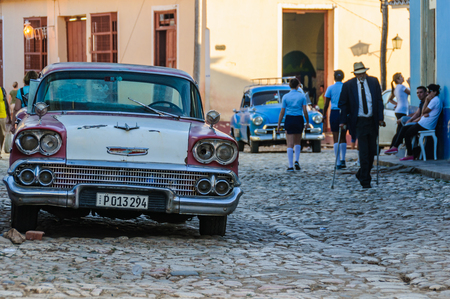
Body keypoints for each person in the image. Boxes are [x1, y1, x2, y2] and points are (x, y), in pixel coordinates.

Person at [338, 62, 384, 188]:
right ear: (355, 74)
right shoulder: (348, 85)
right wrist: (343, 121)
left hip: (372, 120)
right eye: (358, 74)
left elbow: (379, 101)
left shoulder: (374, 82)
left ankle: (361, 173)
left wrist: (380, 118)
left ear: (365, 72)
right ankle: (365, 180)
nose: (361, 75)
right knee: (363, 151)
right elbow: (343, 104)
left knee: (372, 152)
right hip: (359, 121)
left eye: (362, 73)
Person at [386, 84, 442, 161]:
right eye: (428, 91)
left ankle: (408, 153)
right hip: (423, 123)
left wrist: (426, 101)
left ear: (435, 92)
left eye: (429, 91)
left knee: (407, 133)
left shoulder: (434, 100)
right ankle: (396, 147)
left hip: (425, 124)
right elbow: (421, 113)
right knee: (405, 128)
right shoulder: (434, 100)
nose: (428, 93)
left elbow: (423, 111)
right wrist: (414, 118)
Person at [277, 78, 309, 172]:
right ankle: (297, 161)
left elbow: (282, 112)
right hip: (299, 118)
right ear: (298, 85)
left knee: (289, 143)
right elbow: (305, 111)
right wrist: (307, 121)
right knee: (297, 142)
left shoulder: (285, 97)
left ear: (289, 85)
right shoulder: (302, 96)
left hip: (289, 119)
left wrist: (279, 124)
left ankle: (290, 166)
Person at [385, 86, 427, 154]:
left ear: (426, 93)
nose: (419, 94)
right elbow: (417, 113)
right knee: (403, 122)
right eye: (417, 93)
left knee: (404, 129)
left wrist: (412, 121)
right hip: (417, 120)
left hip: (422, 123)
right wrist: (409, 120)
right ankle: (396, 146)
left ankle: (396, 147)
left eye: (421, 92)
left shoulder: (427, 102)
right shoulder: (421, 102)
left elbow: (422, 116)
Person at [323, 70, 346, 169]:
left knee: (335, 137)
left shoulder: (330, 88)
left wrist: (324, 115)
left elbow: (326, 103)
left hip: (335, 112)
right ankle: (343, 159)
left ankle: (337, 163)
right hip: (344, 112)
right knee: (343, 137)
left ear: (334, 77)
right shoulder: (346, 87)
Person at [388, 73, 410, 147]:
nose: (403, 78)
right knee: (400, 130)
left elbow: (390, 99)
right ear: (397, 79)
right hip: (402, 111)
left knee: (399, 129)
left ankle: (394, 146)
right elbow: (411, 92)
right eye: (401, 77)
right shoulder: (401, 87)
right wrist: (410, 84)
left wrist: (397, 104)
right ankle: (394, 146)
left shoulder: (396, 88)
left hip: (399, 110)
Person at [0, 86, 12, 158]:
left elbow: (6, 103)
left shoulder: (2, 90)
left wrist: (9, 117)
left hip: (2, 115)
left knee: (2, 135)